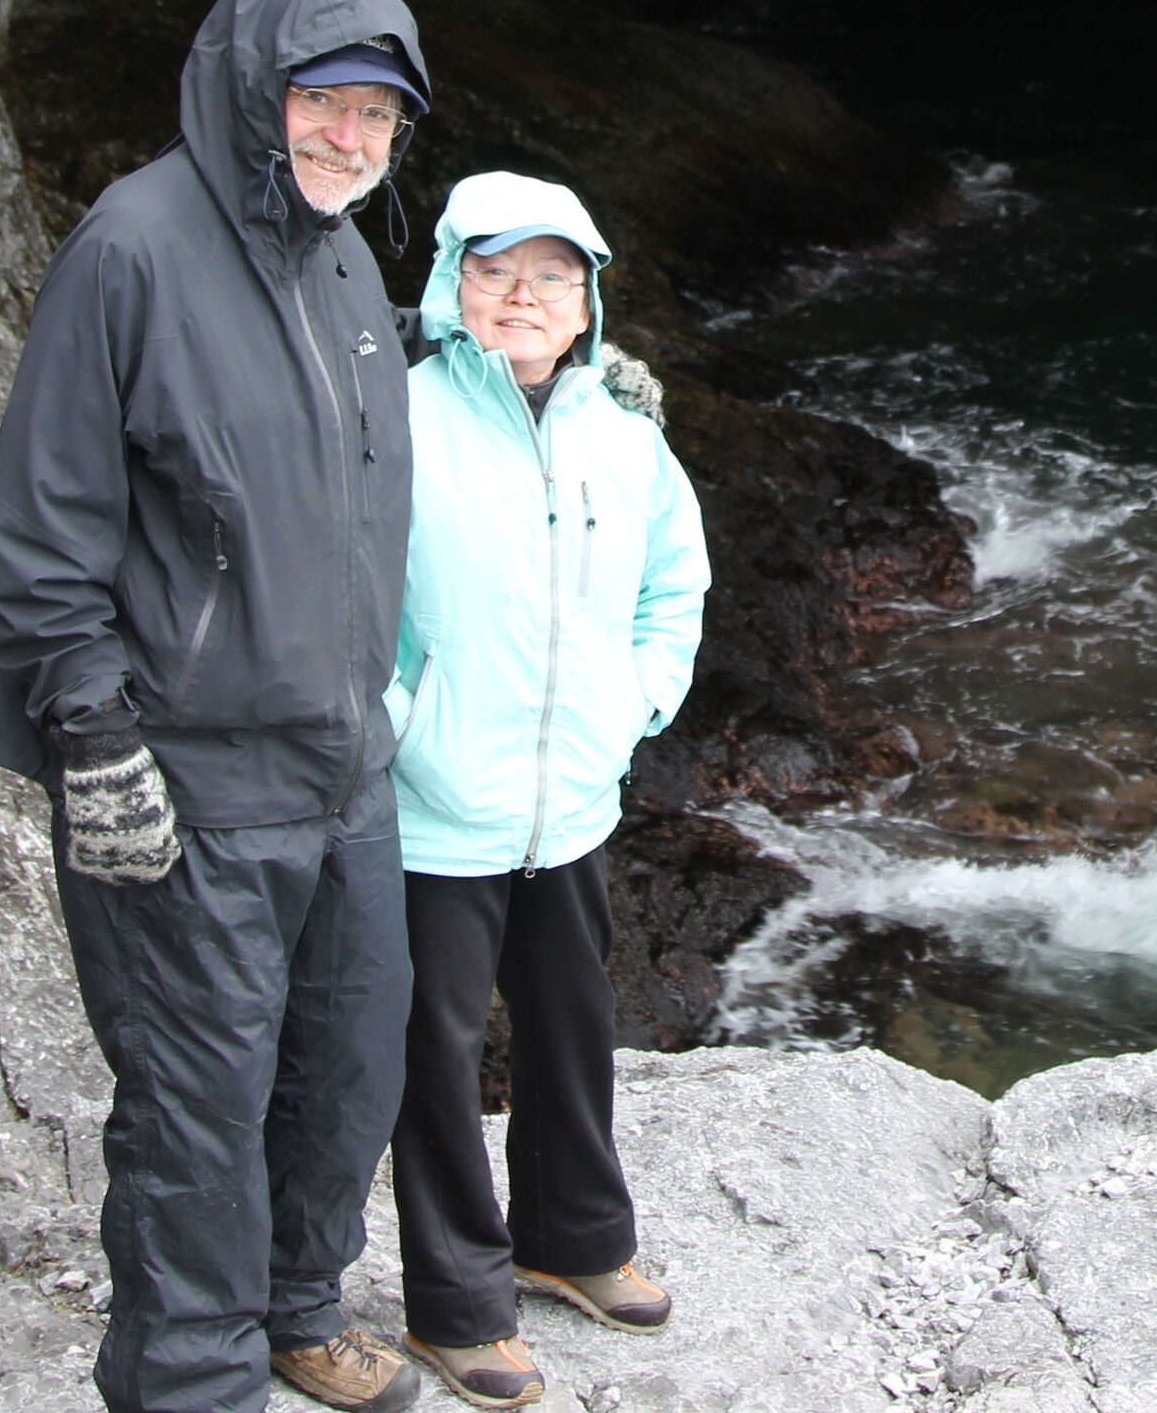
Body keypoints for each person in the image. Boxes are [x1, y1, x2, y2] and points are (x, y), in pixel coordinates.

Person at [0, 0, 436, 1413]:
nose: (352, 140)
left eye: (381, 118)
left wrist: (555, 375)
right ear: (253, 96)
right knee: (198, 1100)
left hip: (340, 765)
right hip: (190, 774)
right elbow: (42, 525)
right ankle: (189, 1377)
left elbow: (323, 442)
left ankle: (298, 1309)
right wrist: (92, 734)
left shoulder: (346, 258)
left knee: (351, 1060)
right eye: (324, 104)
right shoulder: (135, 247)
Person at [383, 171, 711, 1411]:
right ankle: (457, 1304)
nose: (524, 298)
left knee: (576, 1029)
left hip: (569, 800)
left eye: (552, 278)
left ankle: (571, 1239)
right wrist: (401, 727)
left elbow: (671, 586)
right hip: (432, 806)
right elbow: (344, 600)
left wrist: (633, 705)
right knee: (435, 1055)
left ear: (588, 303)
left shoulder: (626, 437)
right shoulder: (396, 416)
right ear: (452, 285)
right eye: (495, 273)